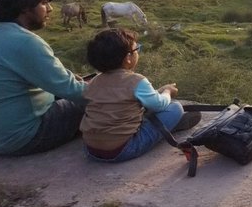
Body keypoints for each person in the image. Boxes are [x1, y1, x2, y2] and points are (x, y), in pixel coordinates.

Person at [0, 0, 86, 156]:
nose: (50, 9)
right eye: (44, 3)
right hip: (24, 137)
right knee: (102, 100)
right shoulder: (25, 41)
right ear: (25, 7)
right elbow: (73, 90)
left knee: (88, 86)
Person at [80, 28, 200, 162]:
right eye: (137, 49)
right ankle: (168, 127)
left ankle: (165, 126)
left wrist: (157, 92)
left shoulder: (94, 81)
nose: (138, 52)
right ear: (128, 58)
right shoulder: (136, 80)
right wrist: (167, 91)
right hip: (122, 150)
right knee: (175, 107)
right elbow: (159, 105)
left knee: (135, 108)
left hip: (91, 150)